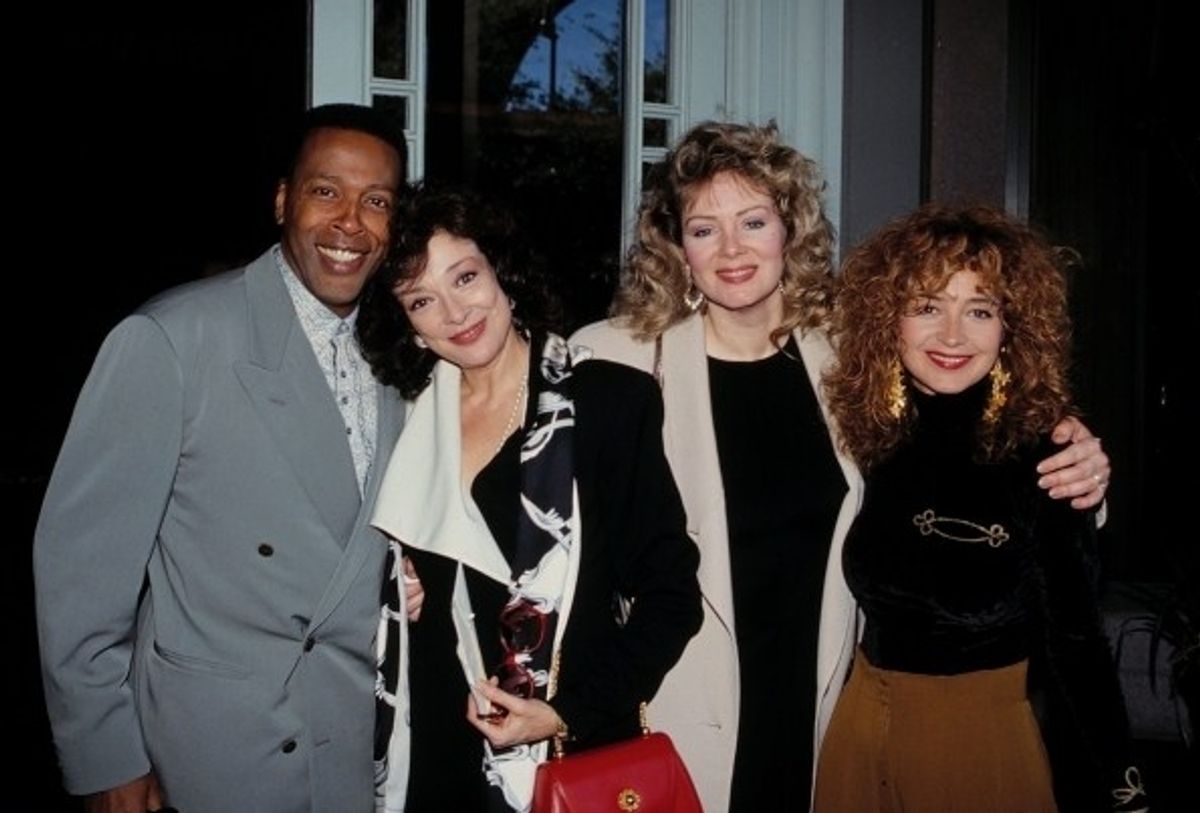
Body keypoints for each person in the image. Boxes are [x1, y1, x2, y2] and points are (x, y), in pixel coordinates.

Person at [570, 120, 1113, 812]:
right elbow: (541, 513)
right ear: (677, 245)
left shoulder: (848, 357)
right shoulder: (616, 361)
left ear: (789, 230)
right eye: (705, 229)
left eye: (754, 221)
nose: (732, 249)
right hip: (675, 704)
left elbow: (973, 434)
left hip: (827, 710)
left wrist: (1081, 467)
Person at [34, 103, 408, 813]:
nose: (350, 223)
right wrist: (105, 755)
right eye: (325, 190)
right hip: (216, 753)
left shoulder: (402, 355)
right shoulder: (173, 339)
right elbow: (80, 574)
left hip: (361, 747)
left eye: (377, 201)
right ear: (281, 200)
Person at [358, 184, 703, 812]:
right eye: (421, 301)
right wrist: (396, 583)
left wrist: (561, 714)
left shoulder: (606, 403)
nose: (455, 313)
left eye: (465, 277)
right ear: (406, 325)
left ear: (502, 271)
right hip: (437, 750)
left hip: (566, 753)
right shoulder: (404, 422)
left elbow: (672, 600)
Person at [813, 203, 1145, 812]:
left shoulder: (1046, 454)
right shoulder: (864, 431)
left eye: (980, 310)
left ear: (1012, 327)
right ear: (890, 318)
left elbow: (1079, 643)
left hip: (978, 747)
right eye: (928, 306)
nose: (952, 337)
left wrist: (1122, 785)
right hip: (855, 734)